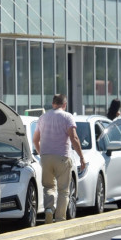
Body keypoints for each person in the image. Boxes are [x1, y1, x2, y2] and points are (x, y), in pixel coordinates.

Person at [32, 94, 86, 224]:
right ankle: (60, 218)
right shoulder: (68, 117)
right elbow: (74, 138)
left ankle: (49, 209)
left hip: (45, 157)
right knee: (63, 190)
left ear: (53, 104)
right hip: (62, 156)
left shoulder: (43, 117)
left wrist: (42, 154)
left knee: (49, 187)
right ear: (64, 104)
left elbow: (35, 139)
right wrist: (82, 157)